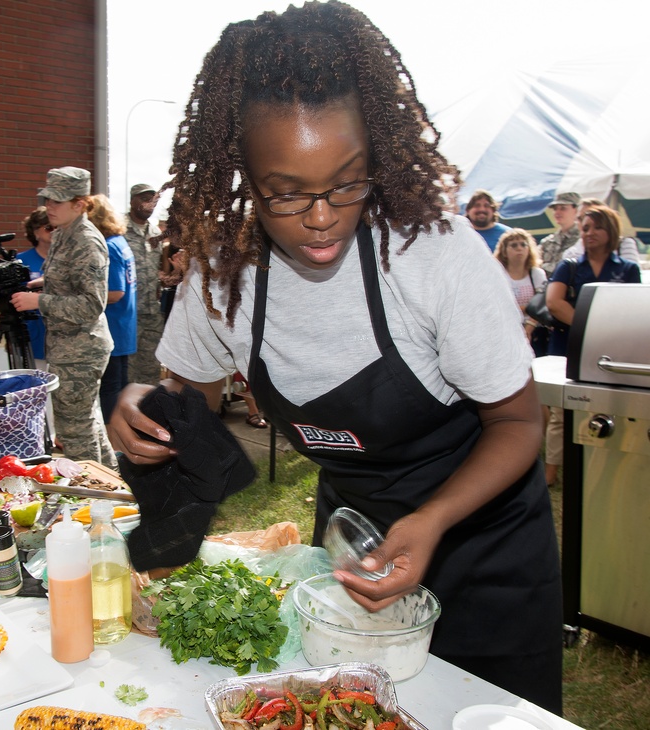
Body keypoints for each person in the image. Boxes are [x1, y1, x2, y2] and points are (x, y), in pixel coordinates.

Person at [108, 2, 562, 713]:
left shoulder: (432, 254)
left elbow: (518, 424)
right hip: (353, 548)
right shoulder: (224, 275)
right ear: (244, 177)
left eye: (347, 182)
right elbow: (185, 396)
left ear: (377, 155)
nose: (320, 216)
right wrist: (147, 410)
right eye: (284, 193)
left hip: (482, 546)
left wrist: (435, 518)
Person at [10, 167, 116, 469]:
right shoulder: (63, 235)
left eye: (57, 201)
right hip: (68, 348)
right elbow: (71, 282)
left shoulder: (85, 241)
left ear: (79, 204)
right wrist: (43, 285)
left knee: (74, 433)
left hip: (81, 351)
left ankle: (93, 502)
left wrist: (38, 300)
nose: (49, 208)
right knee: (87, 424)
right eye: (47, 200)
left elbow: (91, 305)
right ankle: (117, 486)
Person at [543, 205, 641, 488]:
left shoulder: (628, 268)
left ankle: (610, 467)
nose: (589, 233)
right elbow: (554, 302)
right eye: (585, 228)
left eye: (596, 227)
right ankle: (551, 471)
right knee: (562, 414)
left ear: (610, 231)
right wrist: (592, 326)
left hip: (614, 353)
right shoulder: (570, 265)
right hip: (570, 348)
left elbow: (632, 309)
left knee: (614, 408)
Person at [88, 194, 137, 424]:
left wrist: (83, 297)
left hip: (114, 326)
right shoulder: (120, 241)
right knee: (120, 385)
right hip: (123, 326)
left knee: (110, 389)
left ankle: (112, 434)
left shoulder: (109, 246)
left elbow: (116, 293)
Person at [123, 183, 165, 385]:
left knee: (151, 369)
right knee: (127, 371)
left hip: (151, 313)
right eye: (144, 198)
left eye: (153, 199)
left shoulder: (156, 232)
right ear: (132, 200)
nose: (150, 203)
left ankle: (149, 411)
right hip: (127, 312)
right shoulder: (118, 229)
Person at [493, 229, 548, 357]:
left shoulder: (537, 274)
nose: (519, 248)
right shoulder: (498, 275)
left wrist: (529, 327)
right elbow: (499, 306)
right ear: (504, 251)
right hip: (507, 332)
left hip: (535, 332)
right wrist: (528, 308)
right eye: (514, 245)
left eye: (523, 244)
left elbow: (542, 304)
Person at [15, 207, 53, 365]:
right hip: (33, 337)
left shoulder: (67, 261)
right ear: (35, 232)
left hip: (63, 339)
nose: (54, 231)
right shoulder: (21, 261)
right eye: (48, 227)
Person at [561, 198, 641, 264]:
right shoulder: (571, 253)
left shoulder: (624, 244)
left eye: (592, 217)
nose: (584, 222)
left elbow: (631, 280)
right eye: (580, 218)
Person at [538, 192, 581, 276]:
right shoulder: (547, 242)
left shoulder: (582, 240)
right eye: (555, 209)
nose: (557, 212)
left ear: (576, 210)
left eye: (563, 208)